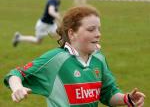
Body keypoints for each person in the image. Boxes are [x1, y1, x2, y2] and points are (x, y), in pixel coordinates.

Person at [4, 6, 145, 107]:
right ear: (72, 34)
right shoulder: (56, 59)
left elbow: (108, 93)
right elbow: (16, 74)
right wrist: (17, 87)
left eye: (99, 29)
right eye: (91, 29)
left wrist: (127, 99)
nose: (98, 34)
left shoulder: (99, 59)